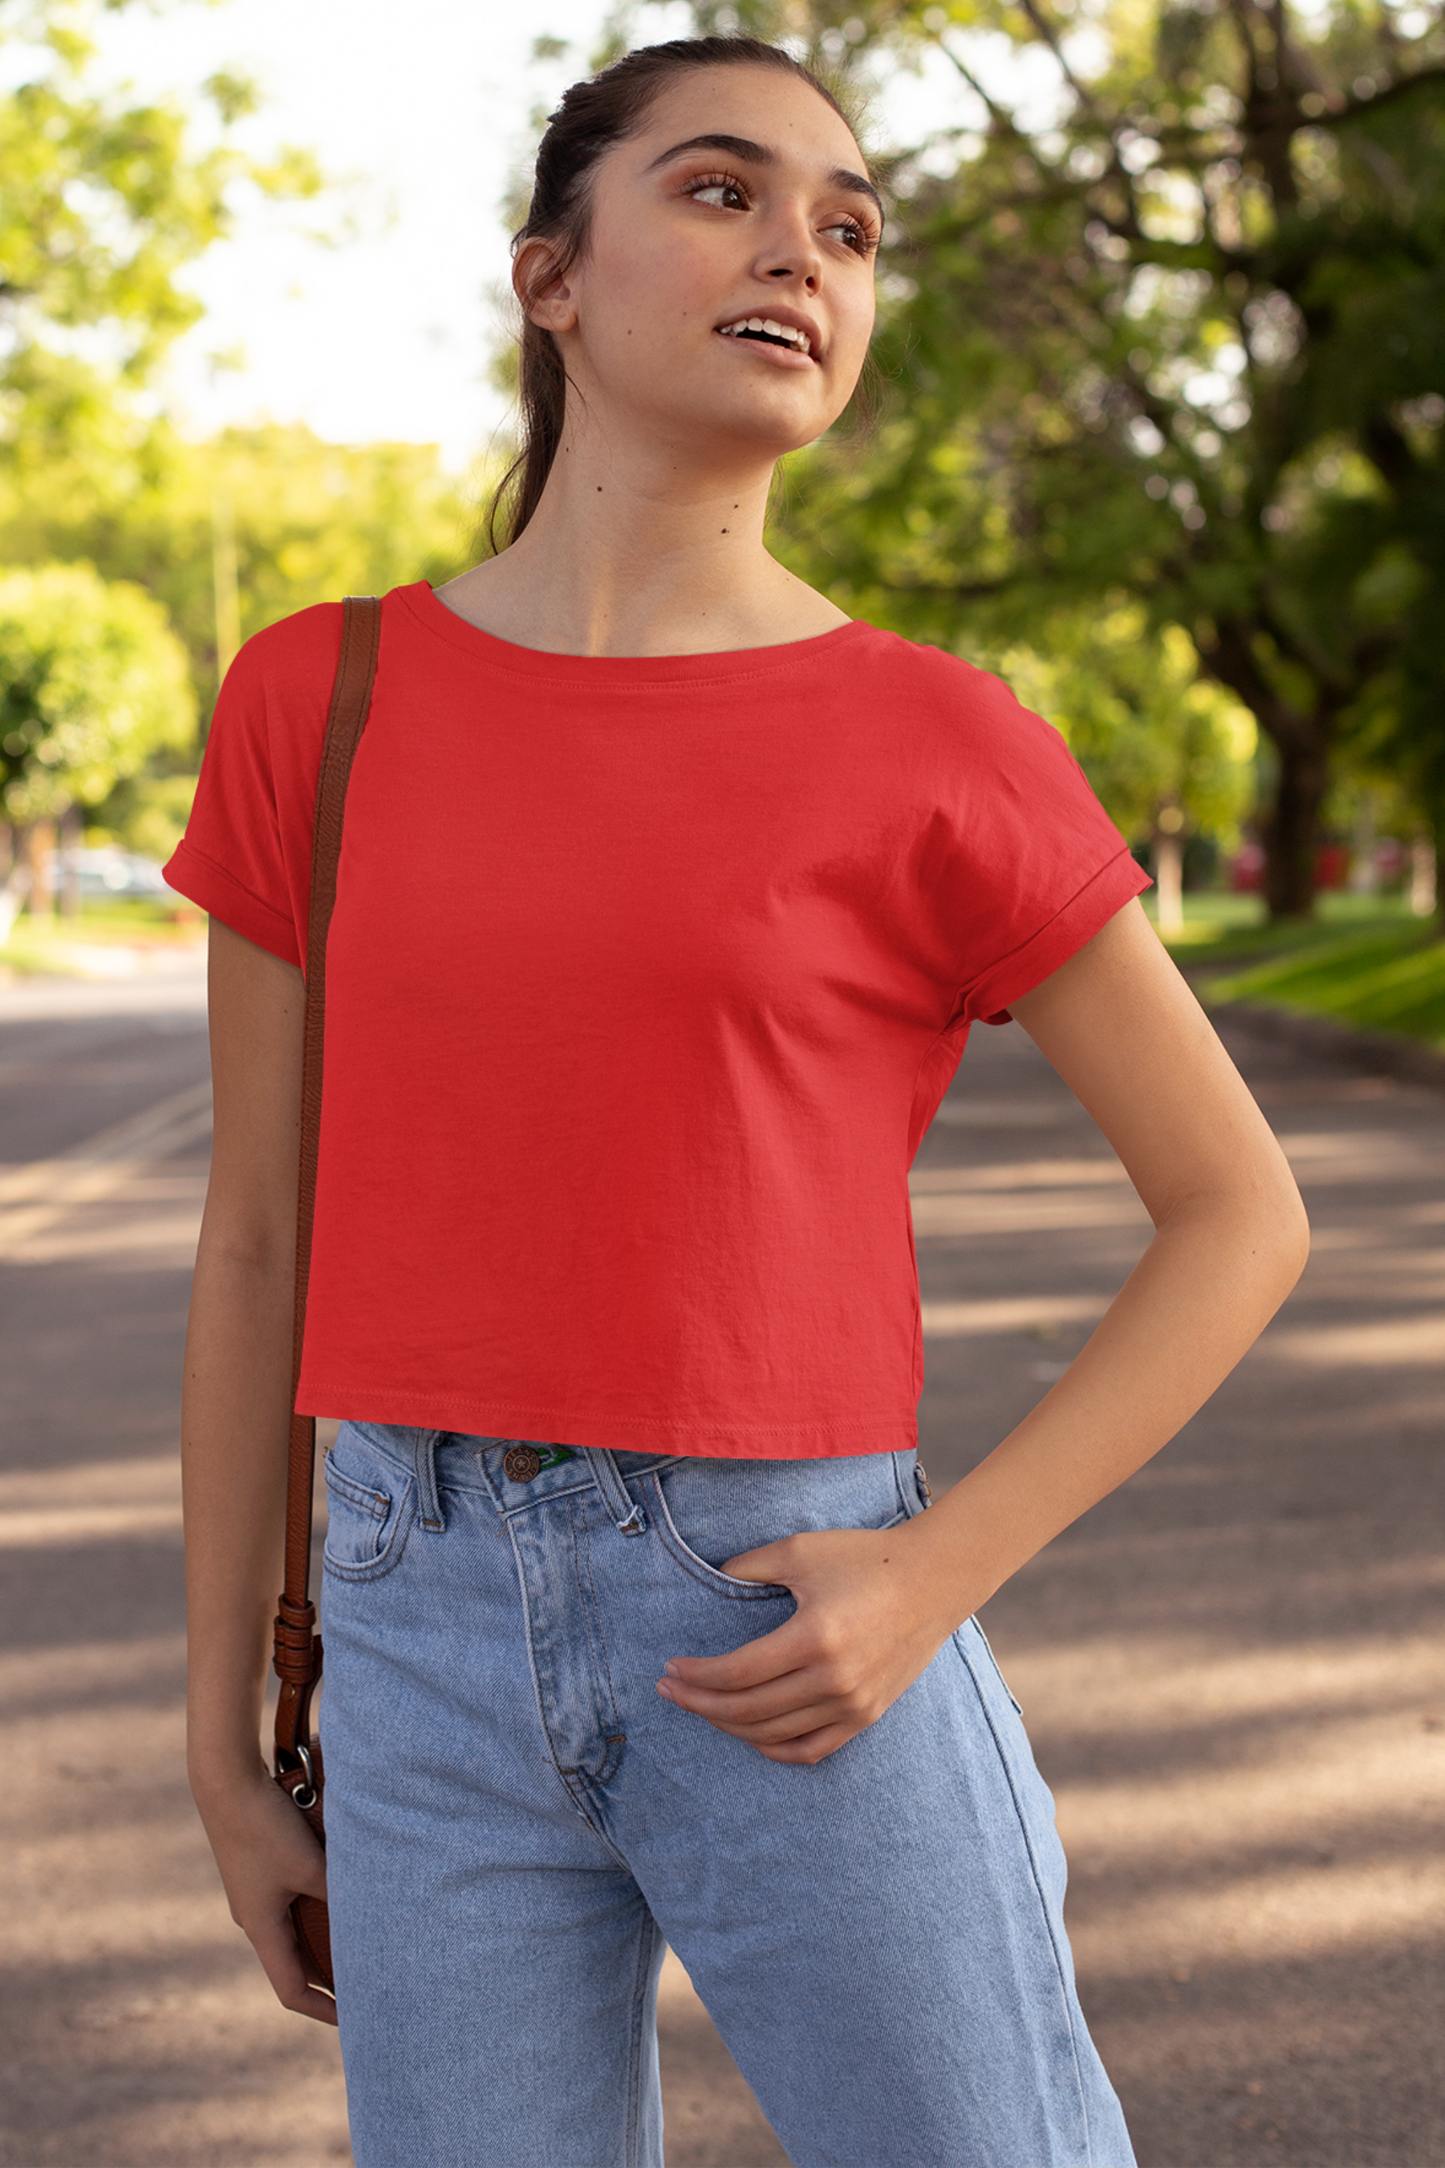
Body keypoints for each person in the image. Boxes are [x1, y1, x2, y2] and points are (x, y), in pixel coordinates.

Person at [170, 34, 1308, 2168]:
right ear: (551, 279)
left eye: (849, 227)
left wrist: (930, 1574)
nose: (804, 248)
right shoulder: (318, 700)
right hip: (409, 1627)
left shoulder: (935, 737)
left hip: (786, 1613)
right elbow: (254, 1241)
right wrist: (227, 1738)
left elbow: (1237, 1212)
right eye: (720, 192)